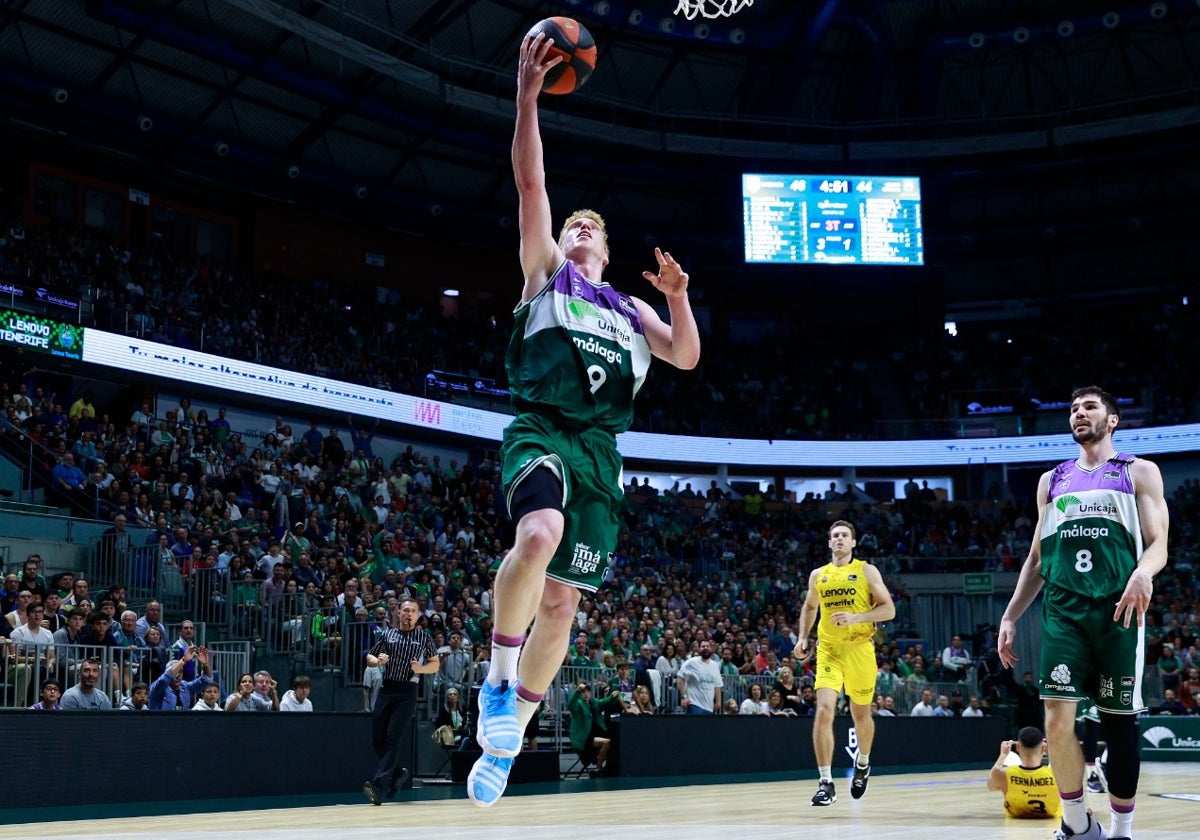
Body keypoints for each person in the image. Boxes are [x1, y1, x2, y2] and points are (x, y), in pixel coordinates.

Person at [465, 28, 701, 810]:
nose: (580, 228)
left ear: (608, 246)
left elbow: (687, 358)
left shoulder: (631, 309)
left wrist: (676, 297)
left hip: (601, 451)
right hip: (541, 426)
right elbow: (532, 187)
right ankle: (497, 680)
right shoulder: (545, 274)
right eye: (575, 224)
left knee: (563, 602)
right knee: (537, 535)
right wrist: (528, 98)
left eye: (591, 226)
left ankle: (512, 734)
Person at [998, 386, 1169, 840]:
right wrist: (1011, 615)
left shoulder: (1139, 472)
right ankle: (1077, 824)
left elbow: (1159, 545)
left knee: (1118, 726)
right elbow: (1036, 558)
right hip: (1063, 613)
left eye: (1090, 407)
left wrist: (1143, 573)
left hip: (1117, 612)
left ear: (1111, 420)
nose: (1079, 413)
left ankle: (1122, 830)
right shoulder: (1051, 481)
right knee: (1055, 715)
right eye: (1073, 408)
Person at [794, 520, 896, 806]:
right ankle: (826, 782)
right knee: (824, 710)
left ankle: (863, 763)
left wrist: (857, 618)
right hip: (828, 649)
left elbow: (889, 609)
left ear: (853, 543)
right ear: (829, 543)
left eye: (845, 535)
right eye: (835, 535)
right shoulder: (819, 575)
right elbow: (810, 606)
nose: (839, 539)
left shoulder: (865, 570)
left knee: (861, 714)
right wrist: (802, 638)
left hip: (860, 649)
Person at [362, 597, 438, 806]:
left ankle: (378, 785)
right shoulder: (388, 634)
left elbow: (435, 664)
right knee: (378, 739)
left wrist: (421, 669)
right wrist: (377, 661)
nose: (409, 614)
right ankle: (397, 774)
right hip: (387, 688)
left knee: (393, 739)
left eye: (413, 611)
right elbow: (370, 657)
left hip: (407, 691)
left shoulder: (423, 637)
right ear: (398, 613)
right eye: (405, 610)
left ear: (418, 615)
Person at [987, 726, 1062, 821]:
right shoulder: (1057, 774)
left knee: (1012, 757)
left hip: (1015, 825)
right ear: (1043, 748)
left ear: (1018, 747)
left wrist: (1003, 755)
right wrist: (1053, 751)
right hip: (1051, 822)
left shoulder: (1004, 774)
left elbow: (991, 785)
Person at [567, 681, 626, 775]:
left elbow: (605, 701)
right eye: (583, 692)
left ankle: (604, 764)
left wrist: (613, 695)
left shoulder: (594, 702)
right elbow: (570, 705)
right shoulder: (578, 704)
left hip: (594, 735)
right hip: (584, 738)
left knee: (614, 741)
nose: (586, 694)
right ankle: (598, 768)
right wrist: (577, 692)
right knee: (607, 743)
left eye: (587, 692)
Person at [676, 639, 722, 715]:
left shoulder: (715, 665)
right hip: (694, 704)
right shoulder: (691, 662)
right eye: (703, 646)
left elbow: (717, 685)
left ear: (711, 648)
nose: (706, 648)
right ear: (699, 649)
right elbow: (680, 677)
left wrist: (718, 702)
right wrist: (684, 696)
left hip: (709, 707)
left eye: (708, 646)